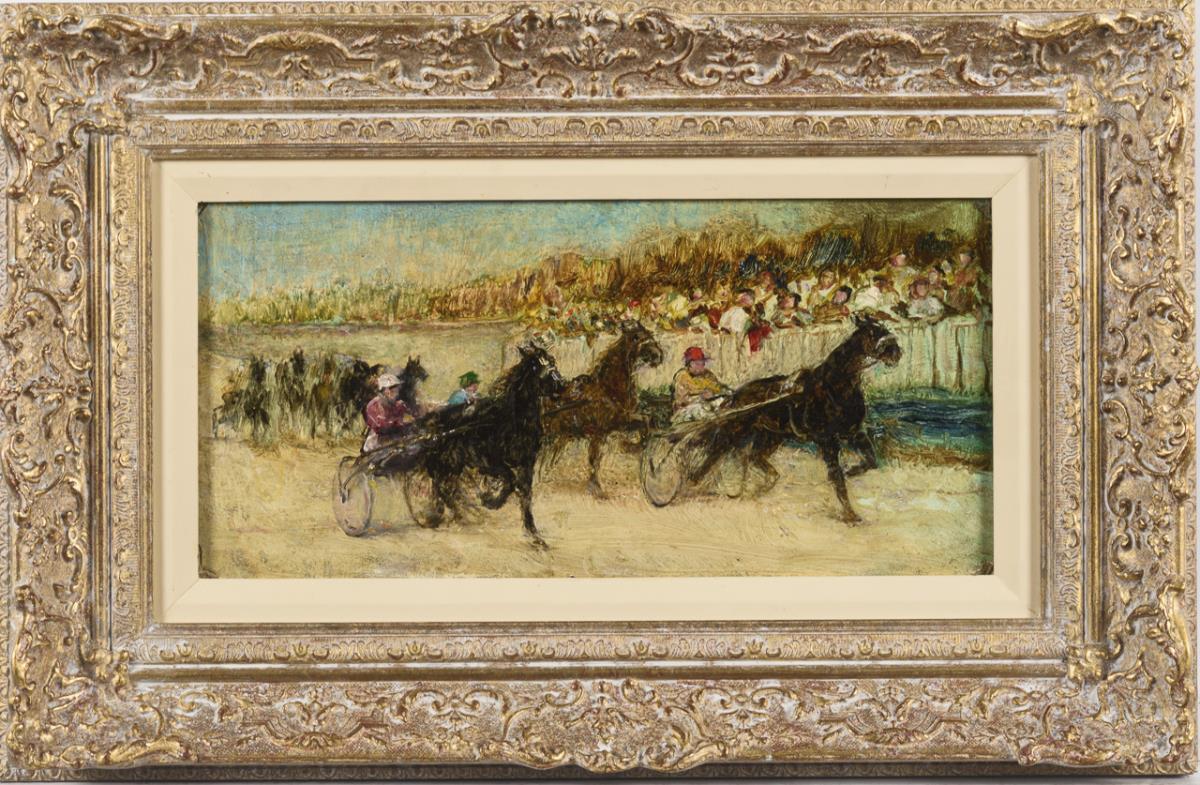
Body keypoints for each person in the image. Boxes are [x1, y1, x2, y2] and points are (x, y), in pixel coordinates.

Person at [672, 346, 729, 422]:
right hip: (686, 410)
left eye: (702, 363)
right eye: (698, 364)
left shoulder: (708, 374)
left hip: (708, 405)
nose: (701, 367)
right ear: (690, 364)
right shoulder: (682, 377)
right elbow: (681, 400)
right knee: (698, 409)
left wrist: (716, 394)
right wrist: (700, 397)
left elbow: (718, 388)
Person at [362, 373, 416, 452]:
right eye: (393, 390)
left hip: (395, 439)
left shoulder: (399, 405)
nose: (396, 393)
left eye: (396, 390)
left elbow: (413, 414)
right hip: (376, 443)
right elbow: (379, 427)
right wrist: (398, 422)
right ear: (385, 391)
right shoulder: (372, 406)